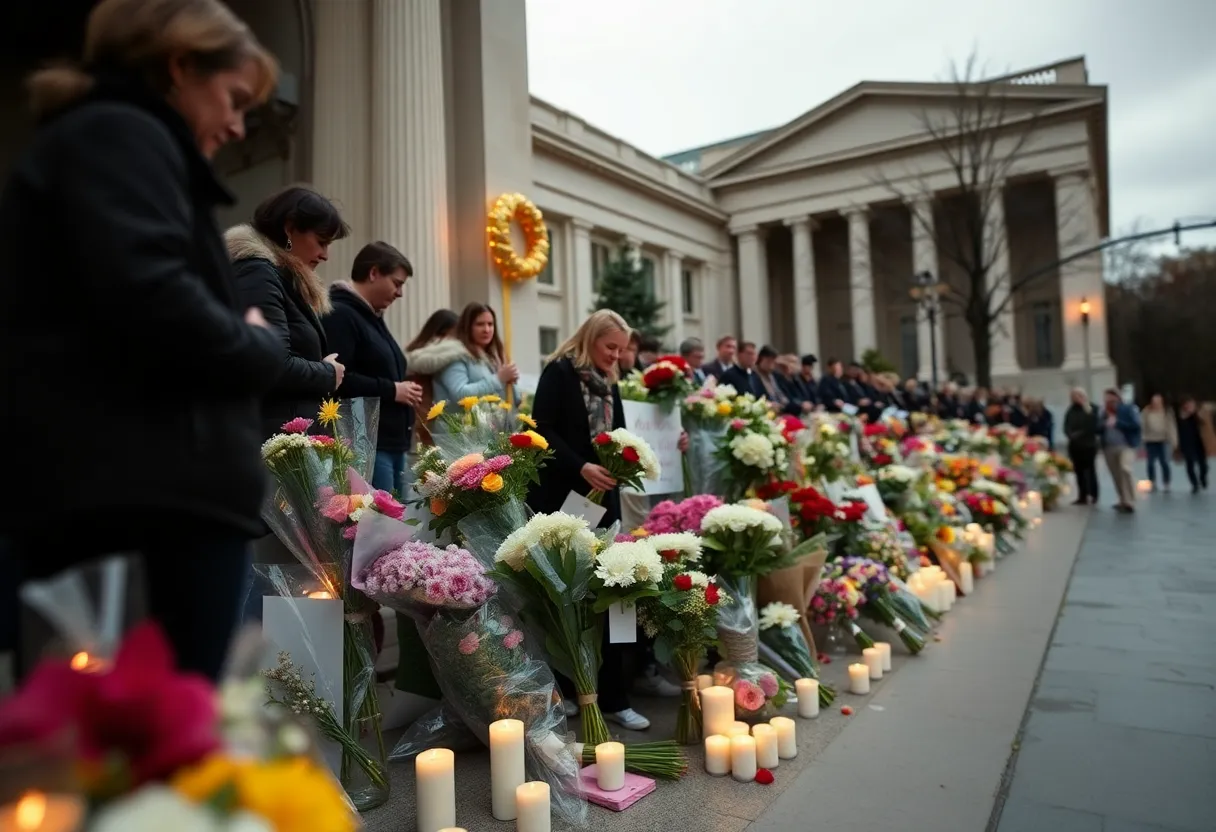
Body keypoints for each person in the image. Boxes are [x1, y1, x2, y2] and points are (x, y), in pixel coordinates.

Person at [0, 0, 284, 681]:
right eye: (234, 97)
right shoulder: (121, 136)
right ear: (181, 66)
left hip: (153, 501)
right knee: (152, 745)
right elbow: (156, 301)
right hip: (152, 512)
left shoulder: (115, 140)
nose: (239, 125)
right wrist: (260, 348)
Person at [528, 309, 649, 730]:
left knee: (614, 588)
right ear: (590, 339)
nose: (616, 356)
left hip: (604, 499)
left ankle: (616, 696)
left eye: (620, 349)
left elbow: (622, 437)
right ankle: (572, 688)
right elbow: (542, 430)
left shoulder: (611, 382)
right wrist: (581, 467)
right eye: (609, 347)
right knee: (568, 592)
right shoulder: (559, 373)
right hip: (565, 496)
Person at [228, 185, 348, 439]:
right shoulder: (258, 272)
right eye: (321, 241)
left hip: (285, 436)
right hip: (273, 439)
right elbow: (270, 362)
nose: (325, 255)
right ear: (289, 228)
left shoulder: (276, 277)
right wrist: (327, 373)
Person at [322, 241, 422, 495]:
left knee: (397, 526)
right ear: (374, 273)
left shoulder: (370, 317)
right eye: (397, 283)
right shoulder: (342, 314)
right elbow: (338, 378)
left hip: (390, 443)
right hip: (368, 444)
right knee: (379, 527)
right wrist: (392, 390)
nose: (399, 293)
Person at [430, 303, 519, 417]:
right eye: (480, 324)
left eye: (490, 324)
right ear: (468, 326)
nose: (486, 329)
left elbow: (514, 400)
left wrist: (512, 383)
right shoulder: (453, 355)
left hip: (490, 430)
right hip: (457, 431)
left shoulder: (493, 357)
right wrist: (499, 379)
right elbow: (461, 395)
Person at [404, 309, 459, 447]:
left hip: (422, 411)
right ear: (442, 332)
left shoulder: (419, 348)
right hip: (422, 410)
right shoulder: (430, 351)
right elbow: (427, 364)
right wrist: (460, 353)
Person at [1100, 388, 1141, 513]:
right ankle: (1122, 498)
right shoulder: (1103, 412)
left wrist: (1118, 423)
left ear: (1118, 397)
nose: (1110, 401)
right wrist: (1103, 425)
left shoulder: (1127, 409)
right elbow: (1097, 427)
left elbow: (1135, 425)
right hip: (1109, 447)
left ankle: (1130, 500)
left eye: (1112, 398)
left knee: (1125, 469)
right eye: (1107, 398)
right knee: (1116, 474)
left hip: (1125, 445)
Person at [1064, 388, 1100, 506]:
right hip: (1075, 446)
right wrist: (1070, 434)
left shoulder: (1091, 408)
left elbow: (1093, 425)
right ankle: (1082, 495)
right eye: (1074, 396)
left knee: (1090, 470)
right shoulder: (1071, 410)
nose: (1076, 398)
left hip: (1088, 445)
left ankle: (1094, 494)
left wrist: (1079, 434)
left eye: (1079, 395)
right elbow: (1066, 425)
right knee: (1078, 471)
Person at [1140, 394, 1177, 492]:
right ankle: (1152, 482)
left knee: (1164, 462)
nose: (1156, 404)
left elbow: (1171, 426)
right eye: (1154, 401)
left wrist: (1174, 440)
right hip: (1150, 440)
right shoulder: (1146, 412)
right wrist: (1142, 437)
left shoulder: (1166, 412)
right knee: (1150, 463)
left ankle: (1166, 483)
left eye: (1158, 401)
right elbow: (1142, 425)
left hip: (1163, 440)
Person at [1175, 398, 1209, 494]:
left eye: (1191, 405)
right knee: (1190, 465)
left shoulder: (1196, 416)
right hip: (1186, 443)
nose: (1189, 407)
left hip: (1199, 443)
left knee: (1203, 465)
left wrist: (1195, 414)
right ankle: (1194, 484)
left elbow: (1204, 423)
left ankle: (1203, 478)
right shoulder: (1180, 417)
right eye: (1188, 405)